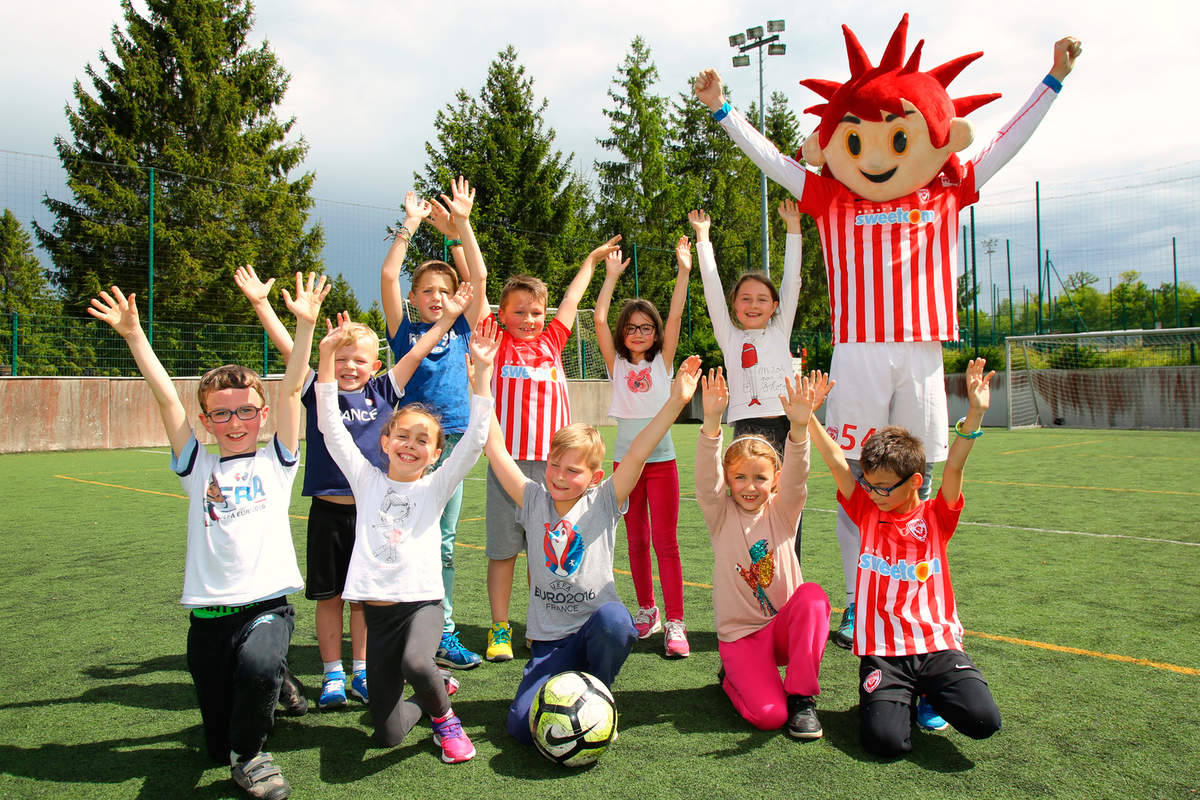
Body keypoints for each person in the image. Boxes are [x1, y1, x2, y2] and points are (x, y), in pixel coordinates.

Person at [694, 19, 1082, 653]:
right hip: (859, 352)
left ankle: (916, 594)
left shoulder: (945, 190)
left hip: (924, 352)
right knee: (855, 475)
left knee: (914, 480)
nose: (876, 159)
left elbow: (1004, 145)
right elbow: (773, 159)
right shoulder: (831, 195)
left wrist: (1053, 80)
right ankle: (859, 601)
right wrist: (723, 112)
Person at [88, 274, 328, 800]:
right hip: (208, 619)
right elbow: (166, 399)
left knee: (256, 673)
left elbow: (292, 387)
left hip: (266, 606)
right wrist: (134, 336)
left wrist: (304, 325)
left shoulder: (278, 460)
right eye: (222, 413)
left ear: (261, 415)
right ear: (208, 421)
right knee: (214, 746)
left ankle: (255, 751)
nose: (235, 420)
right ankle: (267, 693)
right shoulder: (197, 466)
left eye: (246, 410)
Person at [235, 262, 473, 709]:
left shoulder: (384, 391)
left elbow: (418, 352)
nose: (348, 367)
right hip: (328, 512)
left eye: (358, 360)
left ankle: (361, 671)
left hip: (372, 517)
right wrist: (261, 304)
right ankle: (332, 676)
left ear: (375, 364)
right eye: (340, 359)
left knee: (363, 599)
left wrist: (445, 319)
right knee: (330, 600)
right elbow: (291, 349)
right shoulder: (314, 388)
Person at [485, 354, 703, 743]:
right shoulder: (533, 500)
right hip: (550, 643)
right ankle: (562, 679)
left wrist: (676, 402)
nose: (560, 476)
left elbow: (637, 451)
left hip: (593, 631)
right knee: (520, 728)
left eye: (573, 470)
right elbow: (497, 450)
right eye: (555, 465)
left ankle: (598, 692)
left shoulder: (603, 500)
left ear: (594, 477)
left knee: (617, 622)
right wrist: (481, 382)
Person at [314, 309, 499, 763]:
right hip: (378, 620)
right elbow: (330, 428)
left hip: (422, 607)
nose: (410, 446)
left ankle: (446, 718)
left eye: (422, 441)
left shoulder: (436, 487)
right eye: (402, 436)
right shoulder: (366, 479)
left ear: (436, 455)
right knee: (389, 732)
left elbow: (475, 441)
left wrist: (482, 378)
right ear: (385, 440)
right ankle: (436, 692)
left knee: (419, 661)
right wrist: (323, 357)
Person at [806, 359, 1002, 756]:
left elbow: (956, 465)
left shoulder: (936, 516)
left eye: (883, 487)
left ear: (914, 481)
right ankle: (898, 695)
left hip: (936, 645)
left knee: (984, 721)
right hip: (884, 650)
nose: (874, 494)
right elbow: (836, 463)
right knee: (885, 742)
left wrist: (976, 413)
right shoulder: (866, 510)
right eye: (870, 486)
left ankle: (929, 691)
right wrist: (809, 416)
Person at [481, 235, 624, 662]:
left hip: (556, 469)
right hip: (510, 468)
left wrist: (590, 262)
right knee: (504, 550)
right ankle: (500, 627)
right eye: (519, 312)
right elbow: (478, 281)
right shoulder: (496, 343)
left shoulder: (552, 342)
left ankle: (538, 625)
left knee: (546, 553)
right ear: (501, 315)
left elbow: (572, 296)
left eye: (536, 312)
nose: (529, 319)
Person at [380, 178, 491, 670]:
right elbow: (388, 276)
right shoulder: (405, 332)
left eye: (445, 291)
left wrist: (459, 229)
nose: (436, 297)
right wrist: (411, 224)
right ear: (413, 297)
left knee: (444, 543)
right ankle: (397, 623)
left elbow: (480, 280)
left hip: (452, 449)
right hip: (409, 454)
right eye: (426, 290)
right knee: (401, 538)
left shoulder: (465, 327)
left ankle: (443, 631)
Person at [696, 367, 831, 739]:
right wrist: (711, 423)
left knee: (813, 598)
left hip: (783, 630)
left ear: (775, 479)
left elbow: (798, 478)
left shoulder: (783, 511)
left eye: (759, 478)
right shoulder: (721, 514)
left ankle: (802, 698)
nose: (749, 487)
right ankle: (731, 681)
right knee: (770, 717)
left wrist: (799, 429)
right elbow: (708, 485)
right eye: (739, 477)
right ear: (728, 480)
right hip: (742, 637)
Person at [592, 237, 691, 656]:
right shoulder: (615, 363)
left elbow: (675, 315)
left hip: (662, 462)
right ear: (623, 332)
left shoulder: (662, 363)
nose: (638, 333)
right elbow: (597, 316)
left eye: (645, 328)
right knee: (634, 541)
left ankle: (675, 622)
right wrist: (610, 276)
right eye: (631, 328)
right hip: (625, 466)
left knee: (665, 542)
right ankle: (647, 610)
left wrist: (684, 271)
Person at [688, 203, 805, 559]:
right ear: (735, 305)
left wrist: (793, 229)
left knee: (788, 508)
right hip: (747, 429)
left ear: (774, 306)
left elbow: (792, 279)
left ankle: (790, 579)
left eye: (762, 300)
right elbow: (711, 287)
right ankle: (753, 576)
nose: (753, 305)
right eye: (745, 299)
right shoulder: (730, 337)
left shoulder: (780, 331)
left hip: (787, 429)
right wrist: (703, 238)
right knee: (747, 509)